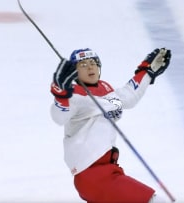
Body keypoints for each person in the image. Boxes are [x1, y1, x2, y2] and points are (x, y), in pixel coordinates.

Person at [50, 48, 171, 203]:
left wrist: (146, 71)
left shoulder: (106, 91)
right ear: (74, 72)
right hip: (92, 175)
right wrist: (60, 94)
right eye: (83, 64)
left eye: (93, 63)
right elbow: (59, 116)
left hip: (108, 171)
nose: (90, 67)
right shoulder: (74, 96)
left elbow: (127, 96)